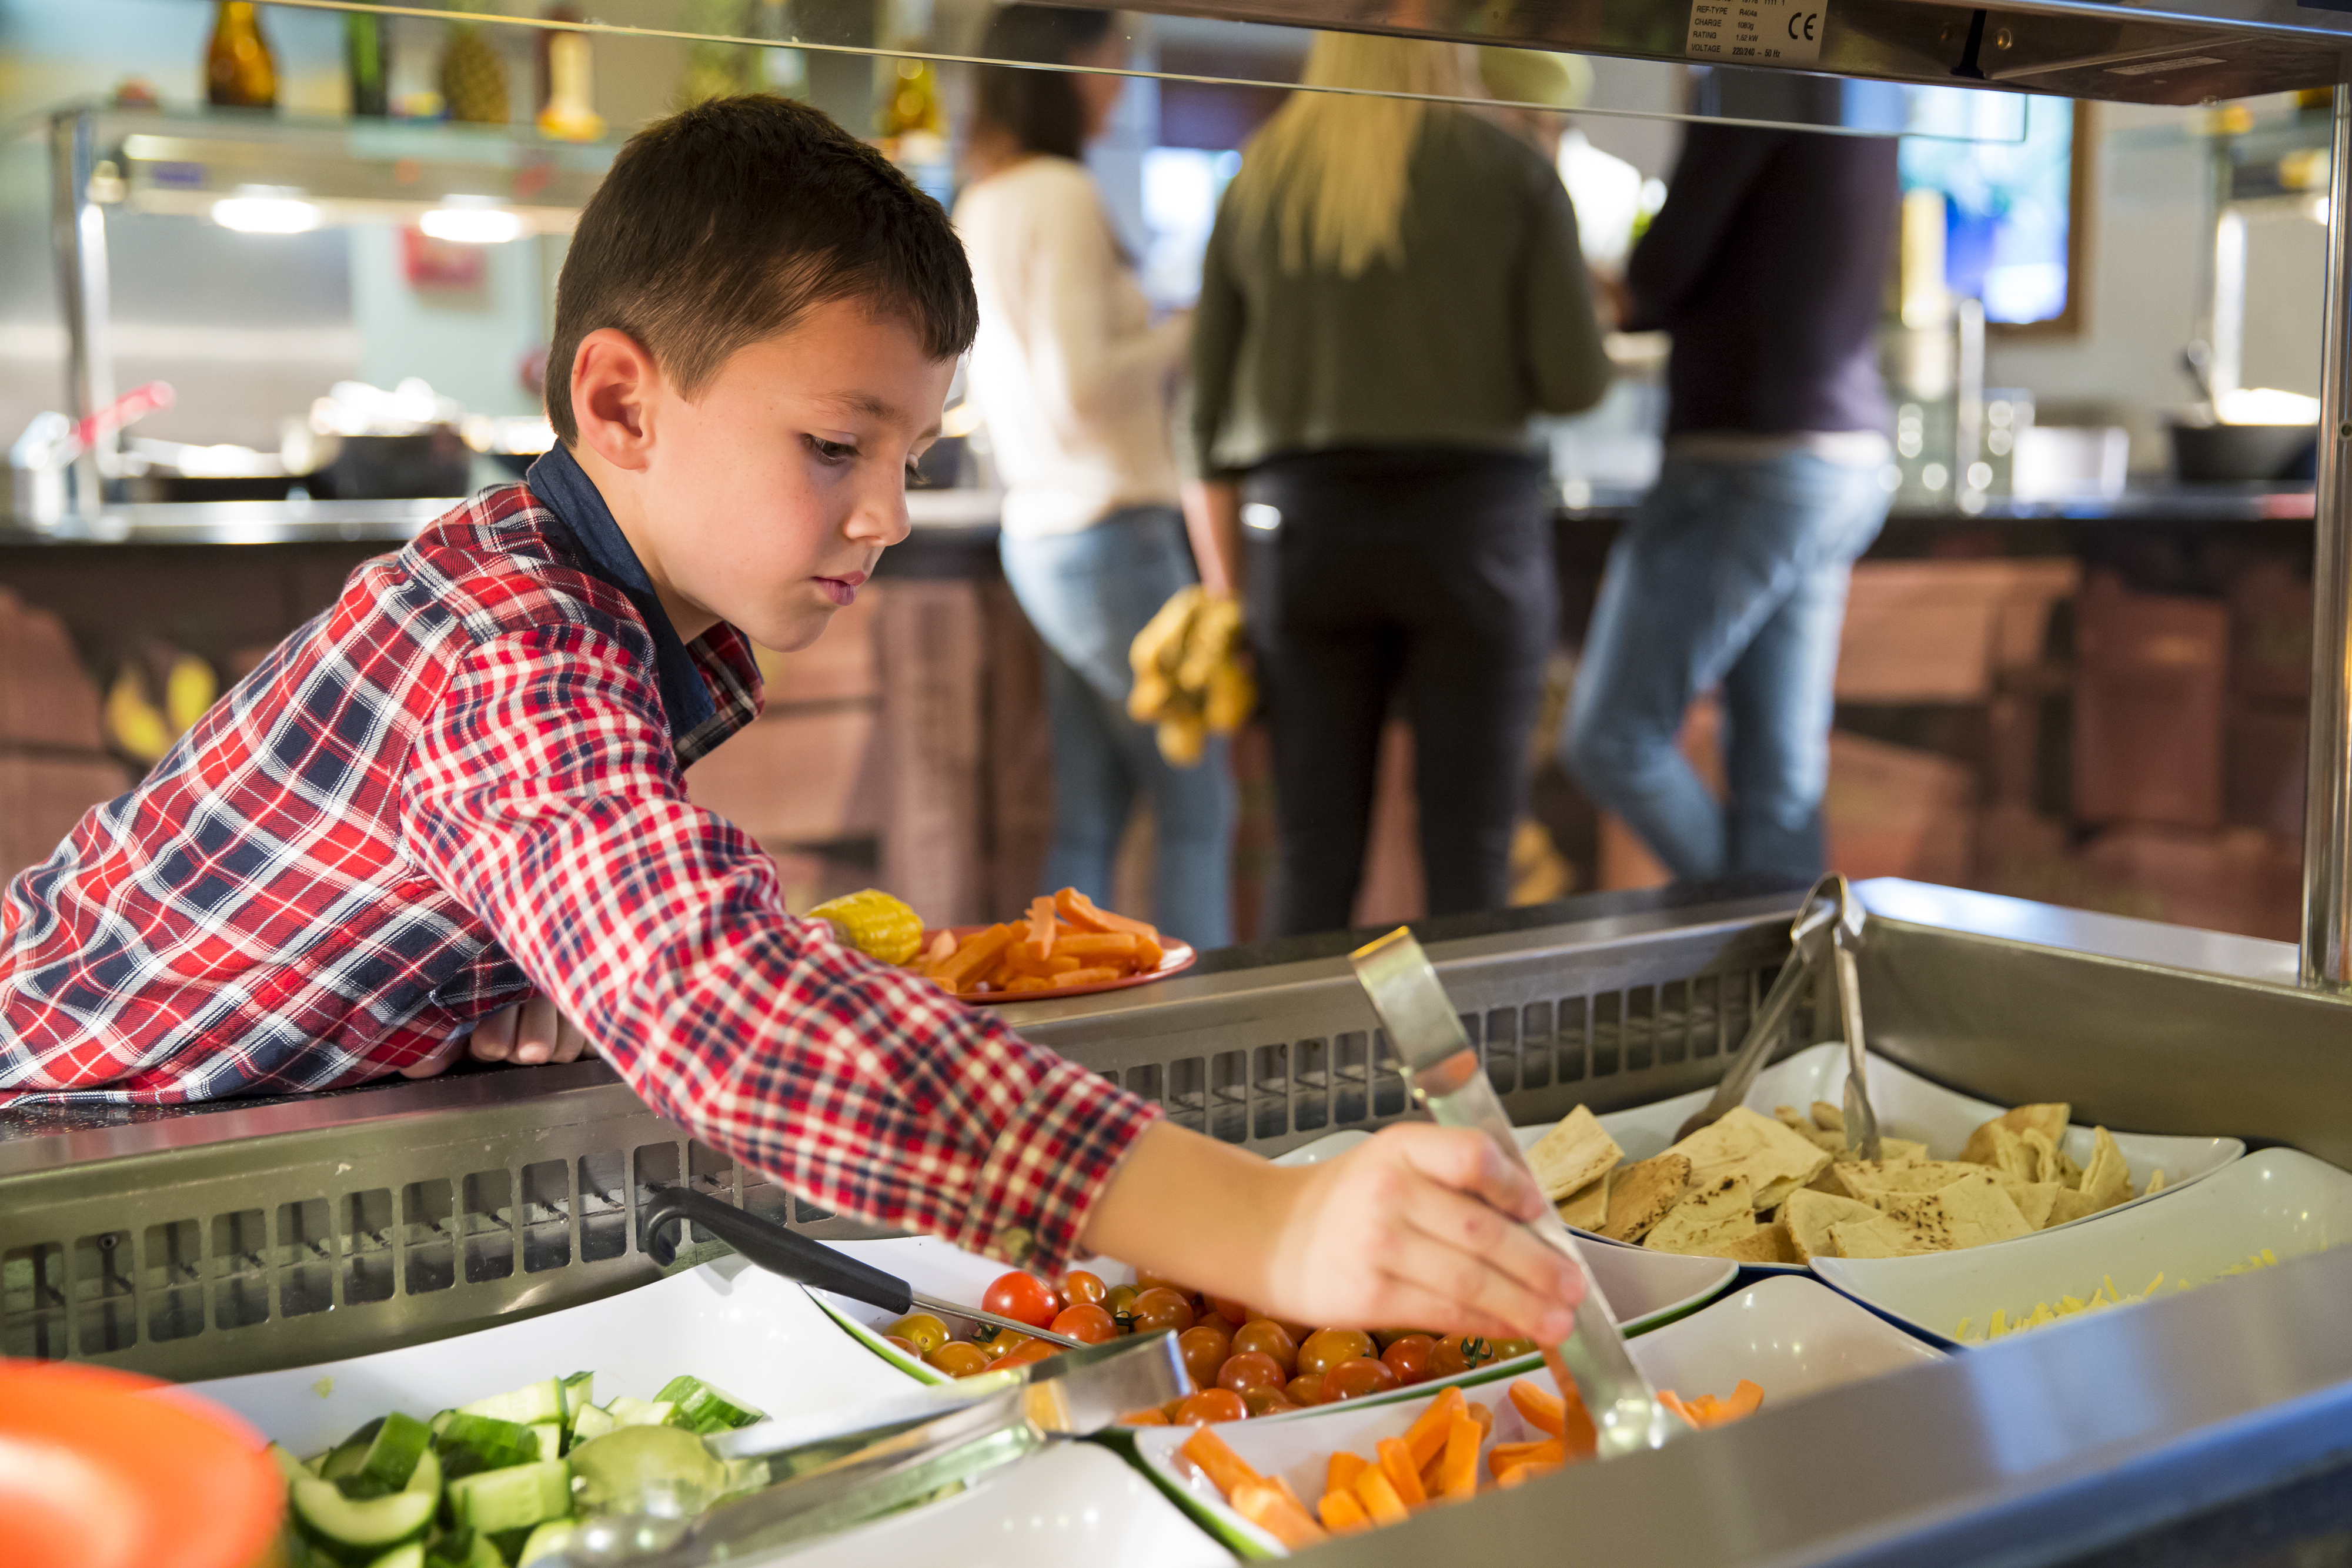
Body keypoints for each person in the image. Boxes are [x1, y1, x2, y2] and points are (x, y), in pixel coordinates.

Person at [0, 96, 1579, 1343]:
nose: (887, 512)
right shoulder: (514, 637)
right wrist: (1270, 1224)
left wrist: (515, 961)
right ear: (618, 402)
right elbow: (732, 1011)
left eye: (916, 456)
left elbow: (522, 885)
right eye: (835, 444)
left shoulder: (591, 609)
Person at [1187, 35, 1611, 936]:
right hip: (1473, 533)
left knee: (1310, 857)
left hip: (1303, 539)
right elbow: (1576, 384)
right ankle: (1470, 1079)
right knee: (1472, 854)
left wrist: (1228, 592)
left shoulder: (1260, 179)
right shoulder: (1511, 172)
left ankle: (1297, 1074)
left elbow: (1204, 424)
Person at [955, 6, 1233, 950]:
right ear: (1067, 66)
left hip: (1042, 533)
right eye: (1113, 60)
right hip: (1114, 532)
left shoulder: (984, 197)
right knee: (1199, 806)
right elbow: (1083, 386)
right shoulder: (1063, 195)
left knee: (1091, 814)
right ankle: (1210, 1046)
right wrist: (1195, 322)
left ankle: (1062, 1025)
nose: (1120, 82)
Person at [1560, 121, 1900, 882]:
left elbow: (1653, 282)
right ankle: (1791, 978)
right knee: (1780, 784)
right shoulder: (1864, 78)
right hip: (1843, 459)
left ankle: (1757, 928)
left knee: (1612, 739)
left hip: (1746, 460)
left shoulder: (1760, 65)